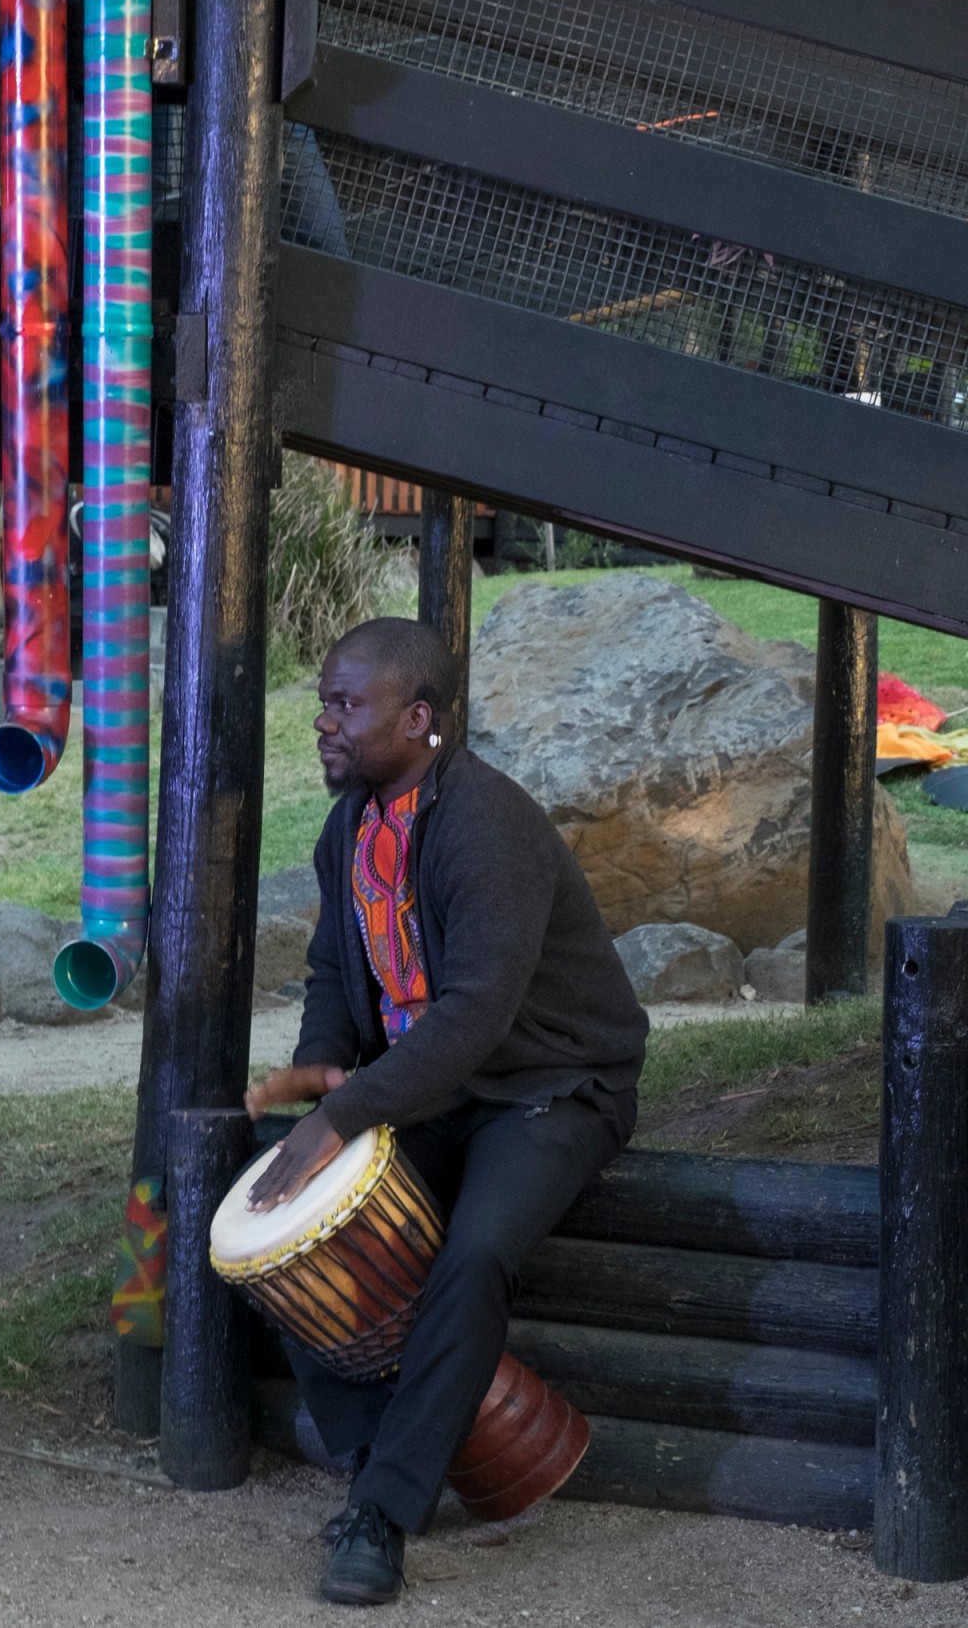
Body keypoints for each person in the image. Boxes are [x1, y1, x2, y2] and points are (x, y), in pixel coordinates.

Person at [244, 617, 648, 1605]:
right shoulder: (351, 825)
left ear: (419, 717)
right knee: (279, 1225)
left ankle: (381, 1515)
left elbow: (475, 1010)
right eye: (322, 703)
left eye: (345, 704)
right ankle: (375, 1449)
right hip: (446, 1083)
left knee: (471, 1256)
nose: (322, 723)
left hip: (555, 1084)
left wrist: (344, 1117)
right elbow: (338, 969)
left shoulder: (484, 822)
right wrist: (317, 1075)